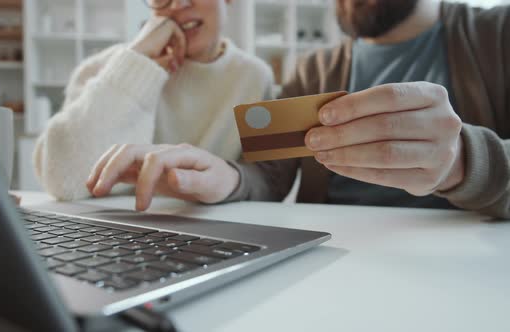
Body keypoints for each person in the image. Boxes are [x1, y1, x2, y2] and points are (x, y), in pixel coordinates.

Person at [87, 0, 509, 219]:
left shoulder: (498, 33)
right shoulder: (315, 68)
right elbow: (271, 176)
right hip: (339, 254)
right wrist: (225, 176)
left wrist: (465, 161)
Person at [33, 0, 274, 201]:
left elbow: (263, 188)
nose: (179, 4)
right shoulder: (100, 70)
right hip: (117, 233)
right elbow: (63, 182)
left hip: (213, 231)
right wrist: (134, 62)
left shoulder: (254, 77)